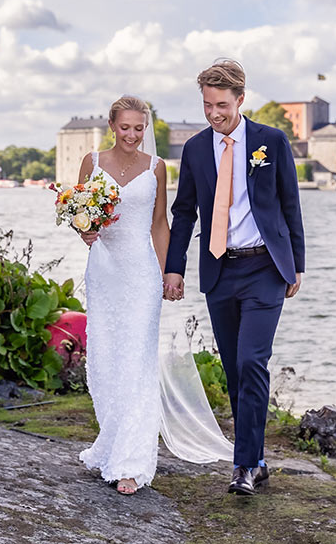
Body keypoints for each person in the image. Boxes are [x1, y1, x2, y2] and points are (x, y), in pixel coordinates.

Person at [163, 59, 305, 496]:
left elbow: (289, 203)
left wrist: (297, 263)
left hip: (265, 267)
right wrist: (174, 266)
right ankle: (257, 459)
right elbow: (184, 211)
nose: (214, 114)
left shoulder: (271, 142)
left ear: (241, 100)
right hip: (220, 269)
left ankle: (242, 466)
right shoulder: (195, 149)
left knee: (251, 362)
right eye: (207, 105)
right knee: (233, 370)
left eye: (221, 105)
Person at [73, 96, 172, 496]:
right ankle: (112, 444)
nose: (132, 135)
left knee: (136, 362)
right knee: (107, 359)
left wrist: (169, 275)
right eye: (125, 127)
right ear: (112, 125)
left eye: (139, 127)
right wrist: (84, 232)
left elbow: (160, 224)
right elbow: (80, 214)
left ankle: (132, 461)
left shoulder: (156, 167)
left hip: (142, 274)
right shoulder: (91, 162)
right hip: (104, 270)